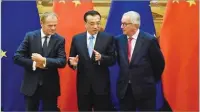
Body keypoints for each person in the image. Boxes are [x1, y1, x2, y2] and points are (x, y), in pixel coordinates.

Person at [13, 12, 66, 111]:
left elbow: (62, 61)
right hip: (31, 85)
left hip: (50, 86)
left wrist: (44, 61)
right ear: (42, 23)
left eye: (55, 25)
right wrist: (34, 64)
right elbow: (17, 57)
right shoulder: (30, 36)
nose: (53, 28)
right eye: (50, 25)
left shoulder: (60, 39)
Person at [115, 11, 165, 111]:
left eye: (125, 24)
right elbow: (121, 62)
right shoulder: (118, 40)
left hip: (145, 89)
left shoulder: (149, 40)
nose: (121, 26)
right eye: (121, 23)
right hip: (125, 90)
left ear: (135, 25)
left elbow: (159, 64)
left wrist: (149, 79)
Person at [68, 10, 116, 111]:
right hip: (83, 87)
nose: (95, 26)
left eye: (98, 23)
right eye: (92, 23)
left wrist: (102, 58)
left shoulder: (108, 38)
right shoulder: (77, 39)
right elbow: (71, 59)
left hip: (101, 86)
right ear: (85, 24)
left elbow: (113, 59)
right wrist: (73, 64)